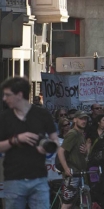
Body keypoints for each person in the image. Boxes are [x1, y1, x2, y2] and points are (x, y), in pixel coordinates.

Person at [0, 77, 58, 209]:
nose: (4, 99)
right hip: (14, 179)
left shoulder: (42, 115)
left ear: (19, 95)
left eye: (8, 95)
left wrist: (46, 147)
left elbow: (55, 140)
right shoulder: (4, 118)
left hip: (39, 178)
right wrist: (16, 139)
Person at [58, 111, 91, 209]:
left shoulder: (80, 134)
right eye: (81, 119)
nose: (84, 121)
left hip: (79, 172)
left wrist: (85, 151)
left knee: (74, 202)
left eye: (85, 119)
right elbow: (61, 151)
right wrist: (66, 168)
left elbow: (81, 152)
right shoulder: (73, 133)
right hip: (73, 173)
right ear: (75, 120)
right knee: (67, 203)